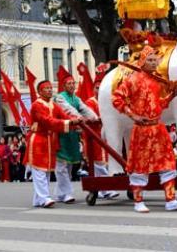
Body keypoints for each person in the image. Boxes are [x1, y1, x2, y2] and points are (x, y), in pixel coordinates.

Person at [112, 45, 177, 213]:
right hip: (142, 129)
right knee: (140, 166)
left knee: (168, 163)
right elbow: (117, 98)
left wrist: (173, 94)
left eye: (155, 60)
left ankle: (171, 200)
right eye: (150, 60)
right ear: (142, 61)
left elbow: (160, 104)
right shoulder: (132, 80)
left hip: (159, 128)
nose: (154, 63)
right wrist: (132, 115)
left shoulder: (156, 81)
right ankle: (138, 202)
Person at [24, 80, 82, 208]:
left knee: (47, 172)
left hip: (50, 141)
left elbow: (63, 116)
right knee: (39, 170)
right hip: (38, 140)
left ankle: (38, 199)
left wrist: (76, 121)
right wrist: (68, 123)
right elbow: (47, 121)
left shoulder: (54, 105)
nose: (50, 90)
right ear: (40, 91)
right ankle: (45, 198)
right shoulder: (36, 105)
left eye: (51, 88)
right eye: (46, 88)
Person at [54, 66, 98, 203]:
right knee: (61, 165)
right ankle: (67, 193)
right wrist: (80, 118)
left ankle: (60, 193)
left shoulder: (76, 98)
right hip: (61, 134)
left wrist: (95, 118)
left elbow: (85, 109)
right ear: (63, 85)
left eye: (73, 83)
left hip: (72, 135)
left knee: (69, 165)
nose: (72, 85)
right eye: (69, 83)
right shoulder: (59, 97)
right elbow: (69, 110)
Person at [84, 65, 119, 199]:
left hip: (107, 134)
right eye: (97, 88)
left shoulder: (109, 100)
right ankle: (105, 188)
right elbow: (89, 117)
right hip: (95, 136)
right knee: (99, 163)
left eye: (101, 87)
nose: (99, 90)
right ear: (93, 89)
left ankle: (103, 188)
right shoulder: (90, 102)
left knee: (105, 162)